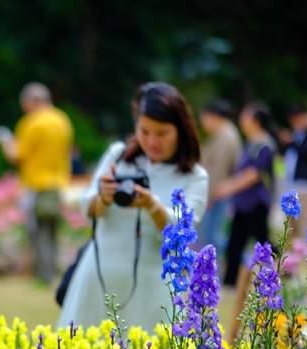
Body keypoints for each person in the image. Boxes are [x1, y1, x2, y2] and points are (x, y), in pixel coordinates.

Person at [58, 82, 208, 331]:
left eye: (162, 133)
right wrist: (104, 198)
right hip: (98, 278)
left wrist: (152, 205)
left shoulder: (194, 176)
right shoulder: (119, 155)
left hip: (154, 286)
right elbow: (88, 207)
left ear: (181, 129)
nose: (152, 141)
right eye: (144, 131)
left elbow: (184, 231)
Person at [0, 83, 74, 285]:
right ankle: (53, 273)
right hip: (59, 183)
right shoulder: (62, 120)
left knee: (38, 232)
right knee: (52, 230)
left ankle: (44, 276)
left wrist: (6, 144)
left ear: (33, 101)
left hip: (37, 184)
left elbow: (17, 156)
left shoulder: (32, 122)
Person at [214, 102, 278, 287]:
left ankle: (281, 269)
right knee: (235, 244)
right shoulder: (251, 143)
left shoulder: (265, 145)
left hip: (256, 203)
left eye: (245, 116)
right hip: (243, 203)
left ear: (256, 121)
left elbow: (253, 174)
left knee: (263, 243)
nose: (242, 119)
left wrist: (228, 187)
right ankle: (230, 282)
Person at [198, 100, 242, 254]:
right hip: (217, 194)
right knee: (212, 237)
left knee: (213, 237)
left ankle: (252, 261)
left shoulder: (225, 137)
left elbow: (218, 172)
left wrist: (209, 197)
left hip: (218, 195)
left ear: (212, 116)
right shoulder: (224, 134)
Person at [280, 104, 307, 242]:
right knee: (292, 223)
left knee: (306, 220)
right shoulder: (300, 134)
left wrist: (292, 142)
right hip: (295, 183)